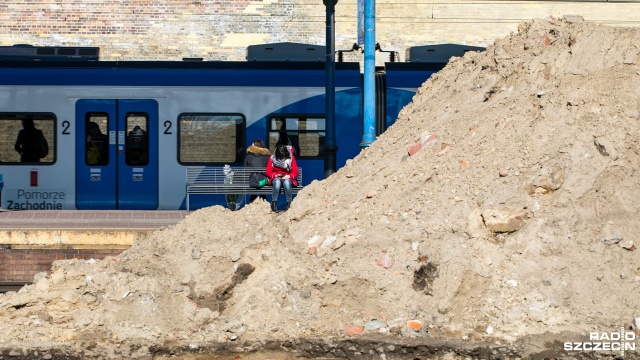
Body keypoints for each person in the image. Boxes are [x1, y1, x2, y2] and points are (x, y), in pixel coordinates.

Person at [266, 143, 298, 212]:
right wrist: (275, 175)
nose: (282, 158)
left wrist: (288, 176)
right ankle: (274, 203)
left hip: (288, 178)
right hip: (276, 177)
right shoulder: (272, 158)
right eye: (280, 157)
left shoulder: (291, 158)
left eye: (283, 156)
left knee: (286, 182)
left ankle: (289, 203)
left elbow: (295, 172)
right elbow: (268, 172)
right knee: (277, 182)